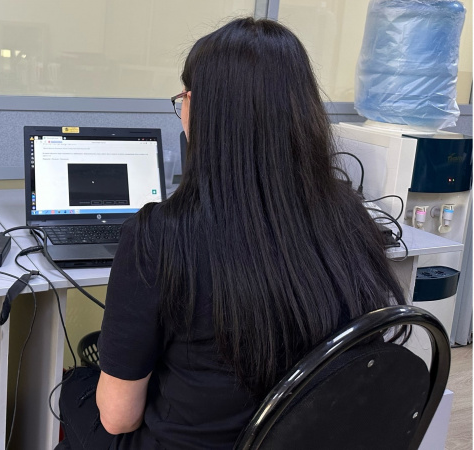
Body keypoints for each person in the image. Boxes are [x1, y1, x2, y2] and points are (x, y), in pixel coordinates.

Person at [56, 17, 407, 450]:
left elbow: (118, 418)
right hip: (304, 438)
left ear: (202, 111)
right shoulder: (348, 217)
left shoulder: (159, 236)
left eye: (184, 97)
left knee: (74, 390)